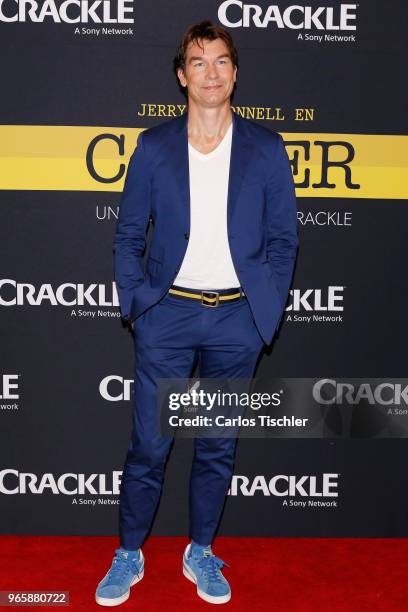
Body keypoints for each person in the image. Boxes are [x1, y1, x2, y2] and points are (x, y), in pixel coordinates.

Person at [95, 20, 298, 607]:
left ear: (235, 73)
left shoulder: (265, 147)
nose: (211, 73)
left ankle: (201, 550)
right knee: (149, 446)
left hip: (237, 321)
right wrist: (139, 303)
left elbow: (284, 239)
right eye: (198, 62)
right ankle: (129, 551)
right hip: (168, 317)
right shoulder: (154, 147)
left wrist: (268, 305)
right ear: (183, 76)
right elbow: (129, 234)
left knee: (217, 444)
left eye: (221, 61)